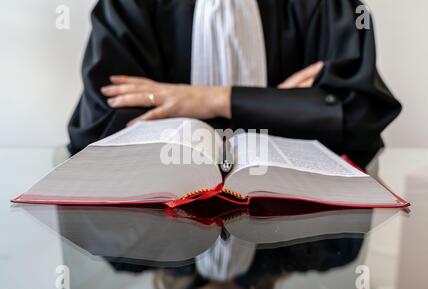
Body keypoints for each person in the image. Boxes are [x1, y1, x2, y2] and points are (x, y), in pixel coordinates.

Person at [68, 0, 401, 168]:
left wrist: (212, 100)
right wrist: (282, 106)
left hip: (292, 224)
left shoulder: (325, 5)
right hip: (161, 220)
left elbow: (361, 120)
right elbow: (100, 128)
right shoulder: (130, 5)